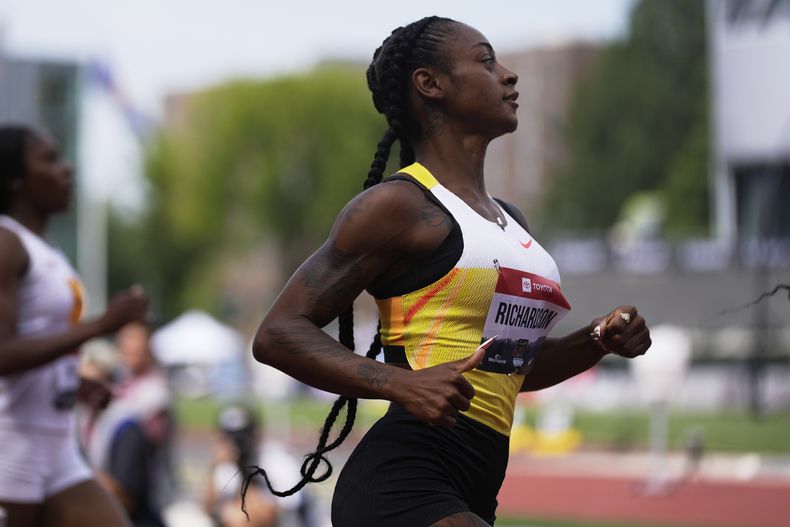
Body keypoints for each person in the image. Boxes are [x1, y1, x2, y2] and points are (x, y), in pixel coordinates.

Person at [249, 16, 652, 527]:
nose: (509, 76)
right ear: (430, 84)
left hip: (478, 482)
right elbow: (277, 333)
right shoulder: (400, 206)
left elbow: (510, 369)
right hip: (405, 478)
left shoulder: (511, 222)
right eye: (486, 62)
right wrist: (400, 383)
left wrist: (597, 339)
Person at [0, 123, 148, 527]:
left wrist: (74, 385)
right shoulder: (6, 243)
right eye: (49, 160)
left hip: (57, 442)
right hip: (12, 443)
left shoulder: (47, 249)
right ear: (14, 179)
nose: (67, 170)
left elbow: (39, 341)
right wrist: (101, 326)